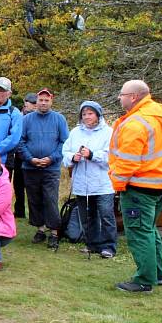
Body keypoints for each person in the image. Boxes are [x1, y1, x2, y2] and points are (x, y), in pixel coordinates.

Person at [109, 80, 162, 293]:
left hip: (139, 188)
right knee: (149, 229)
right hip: (160, 184)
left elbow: (127, 161)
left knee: (139, 232)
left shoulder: (136, 123)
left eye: (122, 94)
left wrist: (118, 185)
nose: (119, 98)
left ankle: (144, 280)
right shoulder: (159, 115)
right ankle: (157, 274)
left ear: (133, 97)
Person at [62, 101, 117, 258]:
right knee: (87, 215)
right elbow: (65, 152)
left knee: (106, 215)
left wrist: (92, 155)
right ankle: (92, 244)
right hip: (81, 182)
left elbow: (112, 156)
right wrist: (74, 157)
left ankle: (109, 246)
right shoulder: (75, 132)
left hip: (102, 183)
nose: (87, 117)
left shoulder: (108, 132)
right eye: (84, 114)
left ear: (98, 115)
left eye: (90, 113)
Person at [17, 88, 69, 249]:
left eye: (47, 100)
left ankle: (54, 232)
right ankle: (40, 228)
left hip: (51, 168)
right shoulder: (26, 120)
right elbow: (20, 141)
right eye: (41, 100)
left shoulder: (59, 119)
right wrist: (30, 159)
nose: (43, 103)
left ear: (51, 101)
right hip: (30, 167)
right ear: (36, 102)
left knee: (50, 199)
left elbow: (64, 143)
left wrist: (51, 158)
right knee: (34, 199)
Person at [11, 93, 38, 218]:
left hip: (33, 155)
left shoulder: (37, 118)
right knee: (18, 185)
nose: (29, 104)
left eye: (33, 103)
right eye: (28, 102)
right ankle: (20, 211)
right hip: (18, 155)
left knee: (32, 186)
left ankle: (34, 213)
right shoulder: (18, 117)